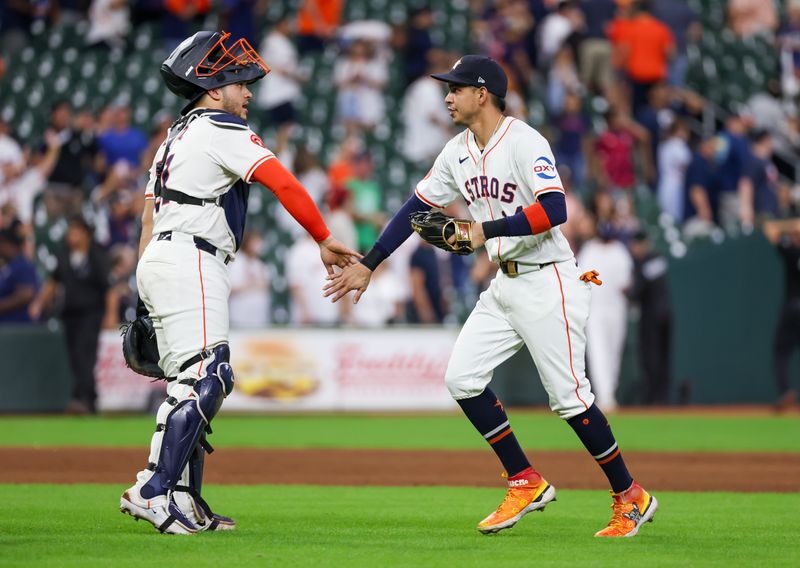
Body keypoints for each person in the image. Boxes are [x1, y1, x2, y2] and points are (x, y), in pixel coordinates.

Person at [323, 55, 658, 537]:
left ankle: (630, 496)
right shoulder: (455, 150)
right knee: (461, 378)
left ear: (483, 93)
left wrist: (484, 231)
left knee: (570, 399)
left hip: (549, 279)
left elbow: (556, 208)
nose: (447, 96)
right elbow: (415, 207)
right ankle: (525, 480)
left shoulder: (524, 141)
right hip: (504, 282)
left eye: (456, 88)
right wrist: (369, 264)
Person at [119, 31, 360, 535]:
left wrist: (145, 290)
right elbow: (283, 181)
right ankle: (152, 490)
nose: (248, 93)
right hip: (193, 256)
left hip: (161, 255)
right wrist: (322, 235)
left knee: (189, 380)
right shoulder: (220, 127)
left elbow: (146, 219)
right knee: (210, 376)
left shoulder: (174, 137)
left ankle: (182, 497)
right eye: (239, 83)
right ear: (213, 90)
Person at [29, 216, 110, 414]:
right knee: (75, 356)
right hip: (70, 313)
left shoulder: (97, 254)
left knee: (85, 355)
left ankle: (83, 399)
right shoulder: (64, 254)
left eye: (76, 232)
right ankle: (87, 398)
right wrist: (39, 303)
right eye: (70, 232)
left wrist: (110, 314)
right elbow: (53, 281)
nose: (71, 236)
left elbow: (109, 288)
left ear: (86, 234)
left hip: (91, 313)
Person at [629, 230, 672, 405]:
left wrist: (627, 294)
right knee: (662, 355)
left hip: (651, 316)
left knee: (651, 356)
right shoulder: (658, 258)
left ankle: (653, 398)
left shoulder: (643, 262)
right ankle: (662, 396)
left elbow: (638, 290)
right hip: (666, 313)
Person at [763, 217, 800, 412]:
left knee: (781, 352)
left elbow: (769, 229)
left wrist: (788, 226)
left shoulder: (791, 250)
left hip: (793, 307)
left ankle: (785, 390)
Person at [0, 225, 39, 324]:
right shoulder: (9, 265)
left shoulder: (22, 265)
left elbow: (26, 294)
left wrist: (2, 305)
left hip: (18, 326)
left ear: (9, 244)